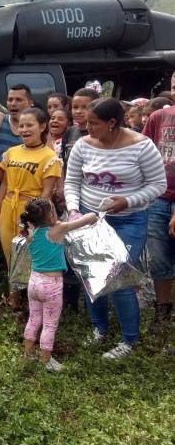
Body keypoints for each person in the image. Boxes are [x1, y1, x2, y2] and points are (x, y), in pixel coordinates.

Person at [64, 98, 166, 359]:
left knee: (117, 278)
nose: (87, 128)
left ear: (112, 123)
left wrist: (127, 201)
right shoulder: (83, 146)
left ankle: (129, 341)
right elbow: (72, 181)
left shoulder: (142, 146)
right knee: (92, 275)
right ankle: (99, 329)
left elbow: (158, 185)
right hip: (91, 220)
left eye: (94, 123)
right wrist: (75, 210)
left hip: (129, 221)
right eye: (86, 122)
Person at [0, 107, 62, 309]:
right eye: (21, 125)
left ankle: (32, 303)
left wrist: (32, 218)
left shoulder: (49, 157)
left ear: (42, 126)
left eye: (29, 125)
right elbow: (4, 183)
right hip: (7, 207)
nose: (24, 129)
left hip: (31, 212)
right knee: (10, 254)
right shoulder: (11, 152)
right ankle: (13, 299)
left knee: (30, 257)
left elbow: (47, 193)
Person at [19, 198, 97, 372]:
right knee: (50, 324)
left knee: (33, 319)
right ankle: (45, 360)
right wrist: (93, 215)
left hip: (34, 282)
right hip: (51, 285)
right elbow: (87, 219)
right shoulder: (58, 230)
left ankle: (28, 354)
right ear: (49, 215)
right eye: (54, 210)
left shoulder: (30, 232)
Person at [142, 102, 175, 337]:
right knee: (158, 259)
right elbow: (143, 152)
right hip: (159, 198)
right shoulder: (158, 117)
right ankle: (162, 314)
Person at [62, 88, 101, 167]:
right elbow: (64, 161)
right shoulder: (69, 132)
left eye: (84, 107)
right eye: (75, 107)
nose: (78, 111)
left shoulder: (101, 134)